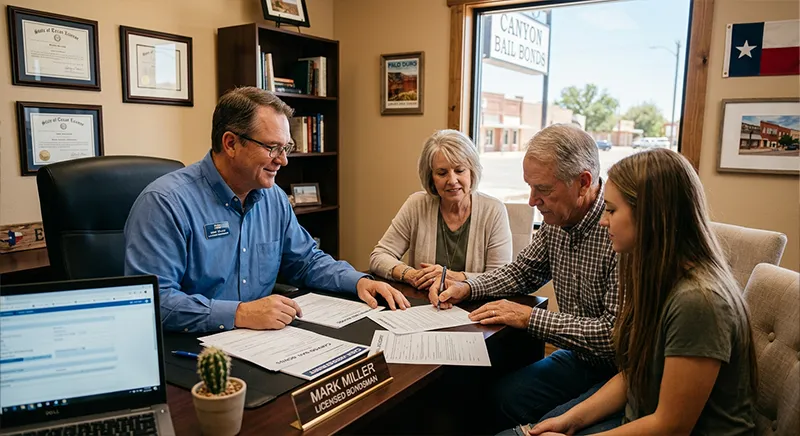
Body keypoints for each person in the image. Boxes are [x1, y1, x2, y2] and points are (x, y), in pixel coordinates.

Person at [125, 87, 409, 333]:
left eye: (286, 148)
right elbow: (152, 301)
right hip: (191, 350)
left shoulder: (273, 198)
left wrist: (357, 282)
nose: (283, 161)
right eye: (272, 147)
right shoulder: (165, 203)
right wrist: (240, 313)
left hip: (262, 341)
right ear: (230, 143)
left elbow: (306, 261)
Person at [527, 148, 756, 435]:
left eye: (612, 210)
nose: (603, 221)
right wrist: (570, 420)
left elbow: (672, 426)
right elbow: (634, 374)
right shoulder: (658, 278)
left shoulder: (698, 302)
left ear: (651, 216)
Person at [428, 124, 619, 430]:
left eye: (543, 189)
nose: (532, 200)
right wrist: (467, 287)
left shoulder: (620, 228)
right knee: (501, 398)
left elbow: (613, 336)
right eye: (530, 187)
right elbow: (522, 272)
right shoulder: (558, 220)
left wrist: (530, 318)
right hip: (580, 357)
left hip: (620, 372)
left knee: (545, 425)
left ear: (583, 183)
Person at [369, 129, 512, 290]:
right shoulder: (416, 205)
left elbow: (499, 278)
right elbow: (379, 256)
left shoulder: (493, 211)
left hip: (475, 303)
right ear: (431, 177)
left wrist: (452, 277)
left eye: (459, 170)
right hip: (423, 301)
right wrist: (411, 275)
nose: (452, 180)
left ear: (472, 172)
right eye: (442, 173)